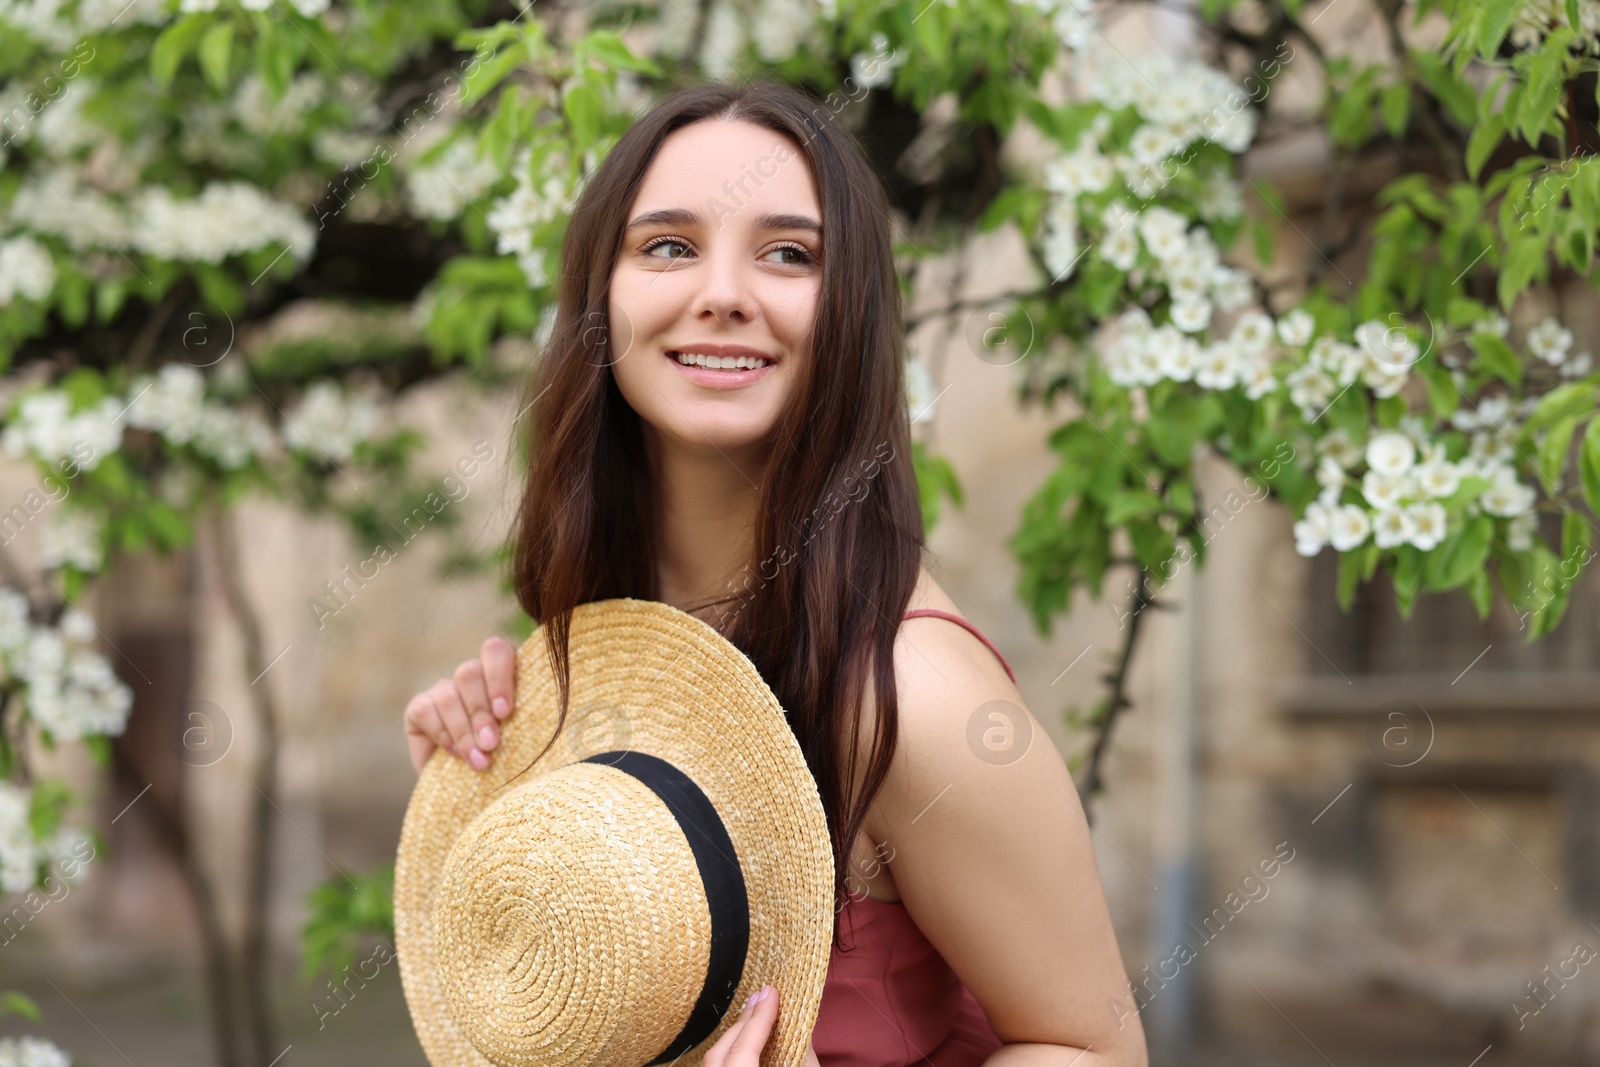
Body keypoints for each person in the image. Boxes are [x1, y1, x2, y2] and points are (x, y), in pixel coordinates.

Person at [401, 78, 1148, 1067]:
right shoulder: (616, 631)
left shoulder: (908, 701)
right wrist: (484, 808)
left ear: (850, 313)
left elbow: (1095, 1050)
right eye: (667, 244)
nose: (722, 292)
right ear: (600, 298)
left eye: (788, 254)